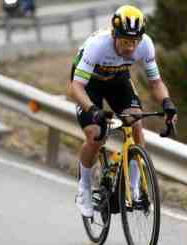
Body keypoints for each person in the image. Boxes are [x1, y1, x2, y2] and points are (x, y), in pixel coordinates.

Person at [69, 5, 178, 217]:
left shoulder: (145, 45)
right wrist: (93, 109)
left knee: (136, 122)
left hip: (118, 80)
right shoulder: (97, 46)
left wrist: (167, 103)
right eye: (125, 42)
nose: (130, 48)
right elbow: (75, 87)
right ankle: (84, 188)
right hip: (88, 84)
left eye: (134, 42)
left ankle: (135, 187)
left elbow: (156, 83)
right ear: (114, 35)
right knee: (95, 135)